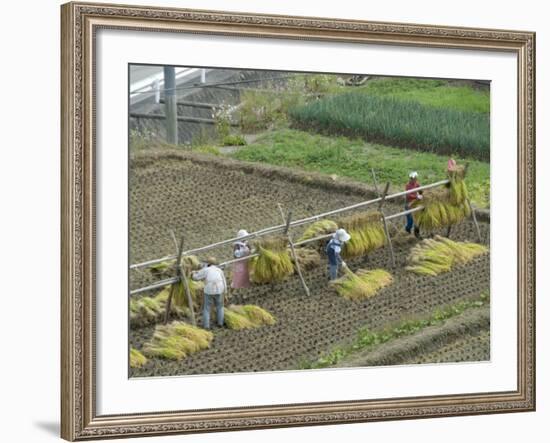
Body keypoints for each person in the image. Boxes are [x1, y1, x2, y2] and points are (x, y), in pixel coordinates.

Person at [192, 256, 227, 330]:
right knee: (220, 307)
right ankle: (220, 323)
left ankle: (206, 326)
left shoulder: (206, 270)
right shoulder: (219, 270)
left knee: (207, 308)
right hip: (220, 289)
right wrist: (225, 293)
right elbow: (224, 282)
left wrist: (193, 273)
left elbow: (196, 277)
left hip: (209, 290)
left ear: (208, 264)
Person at [405, 171, 423, 239]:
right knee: (410, 220)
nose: (414, 180)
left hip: (415, 203)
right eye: (412, 178)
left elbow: (420, 190)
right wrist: (416, 197)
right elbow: (408, 195)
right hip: (409, 204)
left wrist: (422, 194)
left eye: (415, 178)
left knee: (418, 219)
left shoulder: (416, 184)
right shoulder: (408, 185)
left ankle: (416, 233)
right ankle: (407, 230)